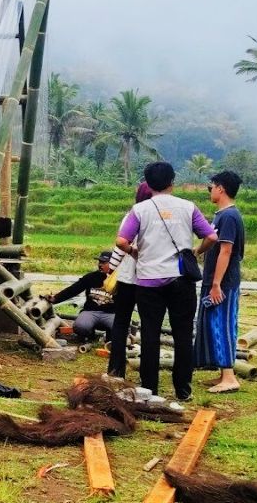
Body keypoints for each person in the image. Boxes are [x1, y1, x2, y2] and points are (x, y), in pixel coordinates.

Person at [115, 162, 217, 403]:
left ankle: (150, 388)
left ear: (148, 185)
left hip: (149, 281)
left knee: (150, 333)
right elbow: (211, 236)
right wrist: (196, 251)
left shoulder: (139, 210)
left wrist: (133, 251)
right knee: (183, 334)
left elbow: (120, 241)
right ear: (173, 182)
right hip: (181, 280)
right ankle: (183, 389)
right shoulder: (188, 207)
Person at [193, 170, 246, 394]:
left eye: (211, 187)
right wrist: (196, 251)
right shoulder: (220, 215)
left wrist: (216, 284)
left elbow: (226, 250)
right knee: (213, 324)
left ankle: (229, 377)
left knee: (222, 325)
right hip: (215, 280)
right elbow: (211, 242)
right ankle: (221, 374)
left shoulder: (229, 217)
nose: (210, 191)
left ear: (221, 188)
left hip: (223, 282)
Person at [104, 182, 153, 378]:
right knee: (150, 325)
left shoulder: (134, 214)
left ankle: (116, 370)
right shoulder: (158, 216)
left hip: (127, 278)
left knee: (121, 323)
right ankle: (148, 375)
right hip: (150, 279)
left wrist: (110, 271)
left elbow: (120, 246)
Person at [52, 251, 116, 341]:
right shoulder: (90, 277)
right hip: (91, 311)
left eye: (104, 263)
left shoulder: (119, 279)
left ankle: (110, 338)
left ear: (113, 264)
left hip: (111, 314)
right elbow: (73, 290)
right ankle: (90, 335)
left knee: (120, 328)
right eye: (99, 262)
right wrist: (55, 298)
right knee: (80, 327)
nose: (100, 265)